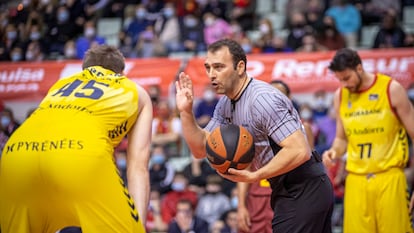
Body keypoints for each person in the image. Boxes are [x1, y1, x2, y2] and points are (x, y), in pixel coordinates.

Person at [175, 38, 333, 233]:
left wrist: (255, 176)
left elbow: (300, 150)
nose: (212, 75)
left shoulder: (262, 99)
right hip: (287, 188)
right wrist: (186, 112)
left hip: (305, 187)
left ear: (240, 67)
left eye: (218, 67)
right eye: (208, 68)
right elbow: (200, 149)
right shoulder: (225, 104)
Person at [0, 45, 153, 232]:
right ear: (121, 73)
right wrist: (136, 226)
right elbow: (138, 166)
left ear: (84, 70)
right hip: (78, 153)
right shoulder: (135, 90)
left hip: (16, 154)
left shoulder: (60, 85)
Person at [323, 48, 414, 233]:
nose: (343, 84)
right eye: (339, 79)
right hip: (356, 179)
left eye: (346, 78)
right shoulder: (340, 95)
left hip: (389, 177)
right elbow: (341, 138)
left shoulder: (391, 89)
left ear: (359, 68)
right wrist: (334, 151)